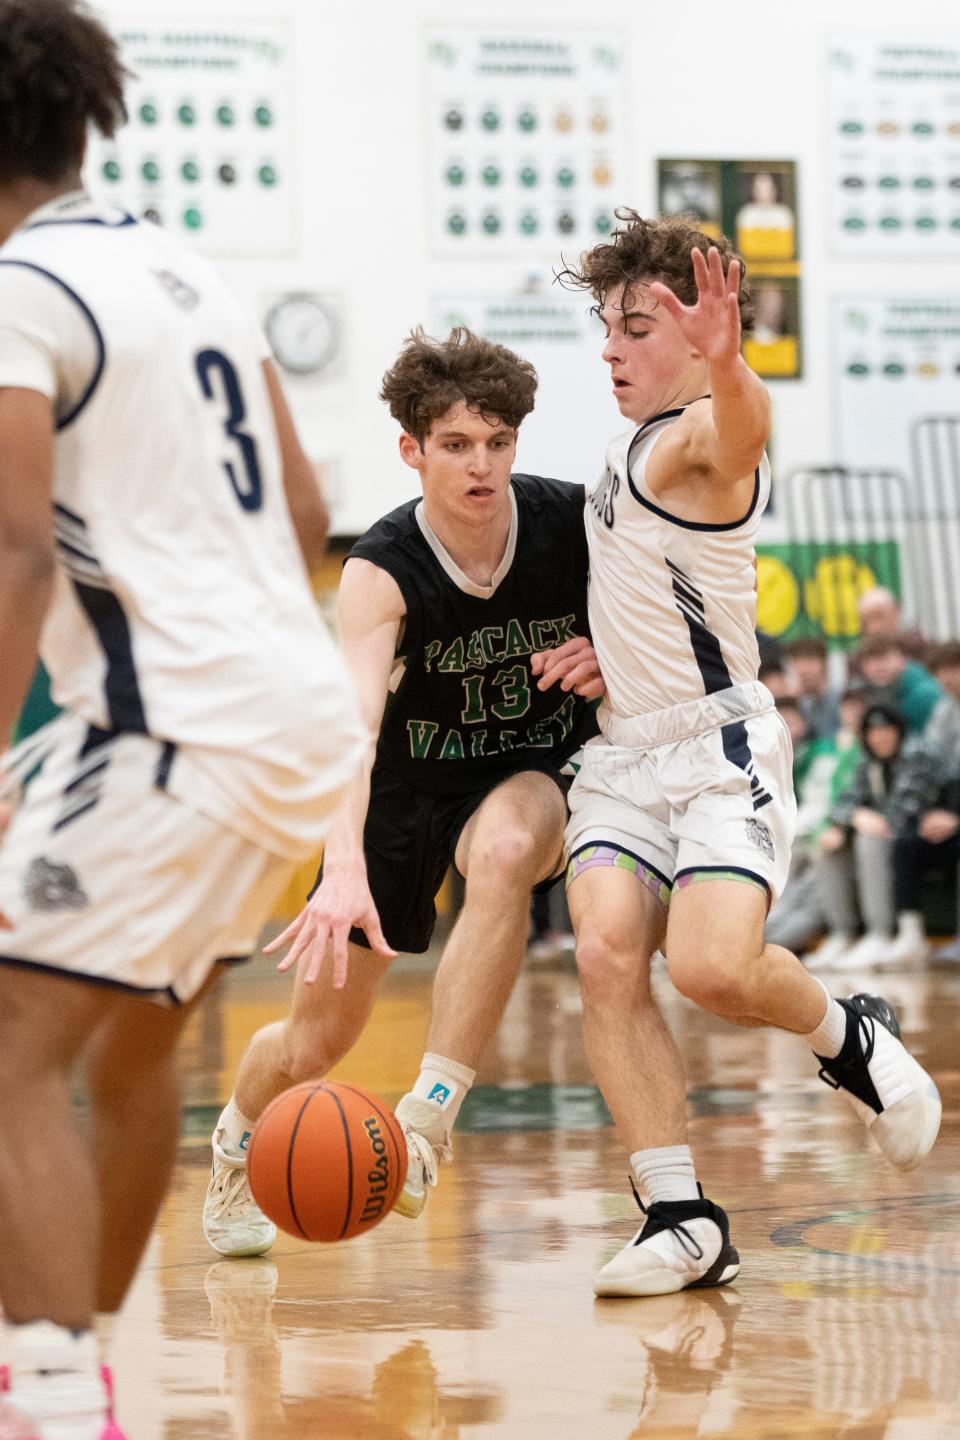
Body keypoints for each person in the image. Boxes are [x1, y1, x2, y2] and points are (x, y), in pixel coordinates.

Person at [0, 3, 366, 1434]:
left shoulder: (23, 290)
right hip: (289, 721)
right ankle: (72, 1363)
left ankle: (43, 1383)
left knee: (9, 1047)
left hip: (179, 732)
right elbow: (314, 510)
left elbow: (20, 550)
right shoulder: (183, 267)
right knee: (133, 1046)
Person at [555, 210, 941, 1298]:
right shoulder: (622, 451)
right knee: (604, 956)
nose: (613, 348)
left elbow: (738, 433)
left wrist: (733, 365)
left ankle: (850, 1038)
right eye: (609, 327)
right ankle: (679, 1217)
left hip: (717, 748)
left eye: (639, 327)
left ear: (694, 336)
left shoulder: (699, 445)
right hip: (626, 760)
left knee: (714, 967)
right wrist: (606, 652)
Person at [202, 327, 602, 1257]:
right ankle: (233, 1142)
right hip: (402, 794)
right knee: (309, 1047)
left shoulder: (571, 523)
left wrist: (607, 656)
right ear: (411, 449)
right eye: (457, 445)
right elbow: (356, 728)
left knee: (505, 853)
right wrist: (340, 866)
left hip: (520, 771)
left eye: (498, 442)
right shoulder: (381, 567)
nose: (482, 465)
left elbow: (666, 618)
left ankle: (427, 1117)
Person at [815, 702, 943, 968]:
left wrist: (860, 818)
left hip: (927, 840)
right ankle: (842, 934)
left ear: (900, 731)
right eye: (872, 731)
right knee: (829, 843)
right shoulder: (869, 760)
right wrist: (849, 819)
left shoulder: (917, 754)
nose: (880, 736)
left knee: (869, 839)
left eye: (886, 729)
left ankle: (879, 933)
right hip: (894, 837)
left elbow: (900, 815)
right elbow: (844, 801)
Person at [854, 634, 942, 733]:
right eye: (869, 660)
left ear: (903, 658)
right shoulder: (861, 693)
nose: (878, 666)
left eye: (884, 657)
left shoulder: (925, 694)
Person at [784, 636, 841, 740]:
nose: (804, 671)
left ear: (824, 664)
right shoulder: (799, 703)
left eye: (810, 662)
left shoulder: (841, 698)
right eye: (797, 663)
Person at [856, 586, 928, 661]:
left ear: (896, 612)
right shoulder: (860, 656)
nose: (874, 626)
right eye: (867, 621)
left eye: (879, 617)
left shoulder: (917, 647)